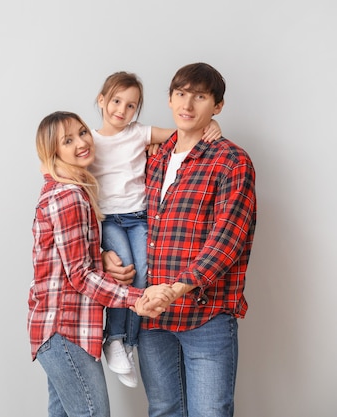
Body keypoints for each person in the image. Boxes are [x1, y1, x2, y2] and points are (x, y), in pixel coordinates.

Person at [103, 63, 257, 417]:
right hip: (152, 317)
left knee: (210, 412)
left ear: (216, 106)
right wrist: (105, 250)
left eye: (200, 97)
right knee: (163, 409)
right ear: (170, 99)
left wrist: (175, 288)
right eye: (181, 94)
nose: (188, 105)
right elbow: (112, 203)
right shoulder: (150, 158)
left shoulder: (231, 161)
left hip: (204, 313)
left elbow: (227, 240)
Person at [28, 111, 175, 417]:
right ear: (54, 152)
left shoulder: (67, 190)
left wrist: (102, 255)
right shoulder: (69, 197)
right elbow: (80, 276)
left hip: (61, 331)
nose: (82, 142)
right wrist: (138, 299)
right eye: (68, 140)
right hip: (65, 330)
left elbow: (71, 262)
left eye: (82, 132)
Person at [88, 71, 222, 388]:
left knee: (146, 273)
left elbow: (181, 132)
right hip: (109, 218)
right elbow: (65, 164)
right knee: (128, 272)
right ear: (102, 100)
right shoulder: (90, 141)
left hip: (138, 215)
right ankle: (115, 337)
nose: (122, 110)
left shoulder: (139, 134)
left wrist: (210, 126)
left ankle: (130, 341)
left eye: (131, 105)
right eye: (116, 101)